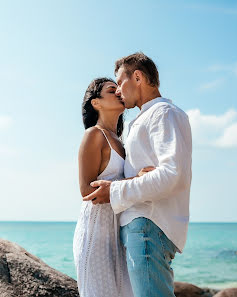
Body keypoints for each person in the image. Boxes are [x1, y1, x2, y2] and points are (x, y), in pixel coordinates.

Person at [83, 52, 193, 297]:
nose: (119, 91)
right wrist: (134, 180)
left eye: (120, 82)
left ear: (138, 77)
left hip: (147, 225)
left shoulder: (163, 113)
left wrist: (114, 190)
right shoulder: (146, 119)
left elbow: (173, 174)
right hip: (142, 226)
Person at [73, 77, 154, 297]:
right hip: (96, 232)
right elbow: (86, 192)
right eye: (111, 90)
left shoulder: (121, 141)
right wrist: (136, 181)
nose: (119, 92)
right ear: (96, 103)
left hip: (120, 234)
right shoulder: (94, 135)